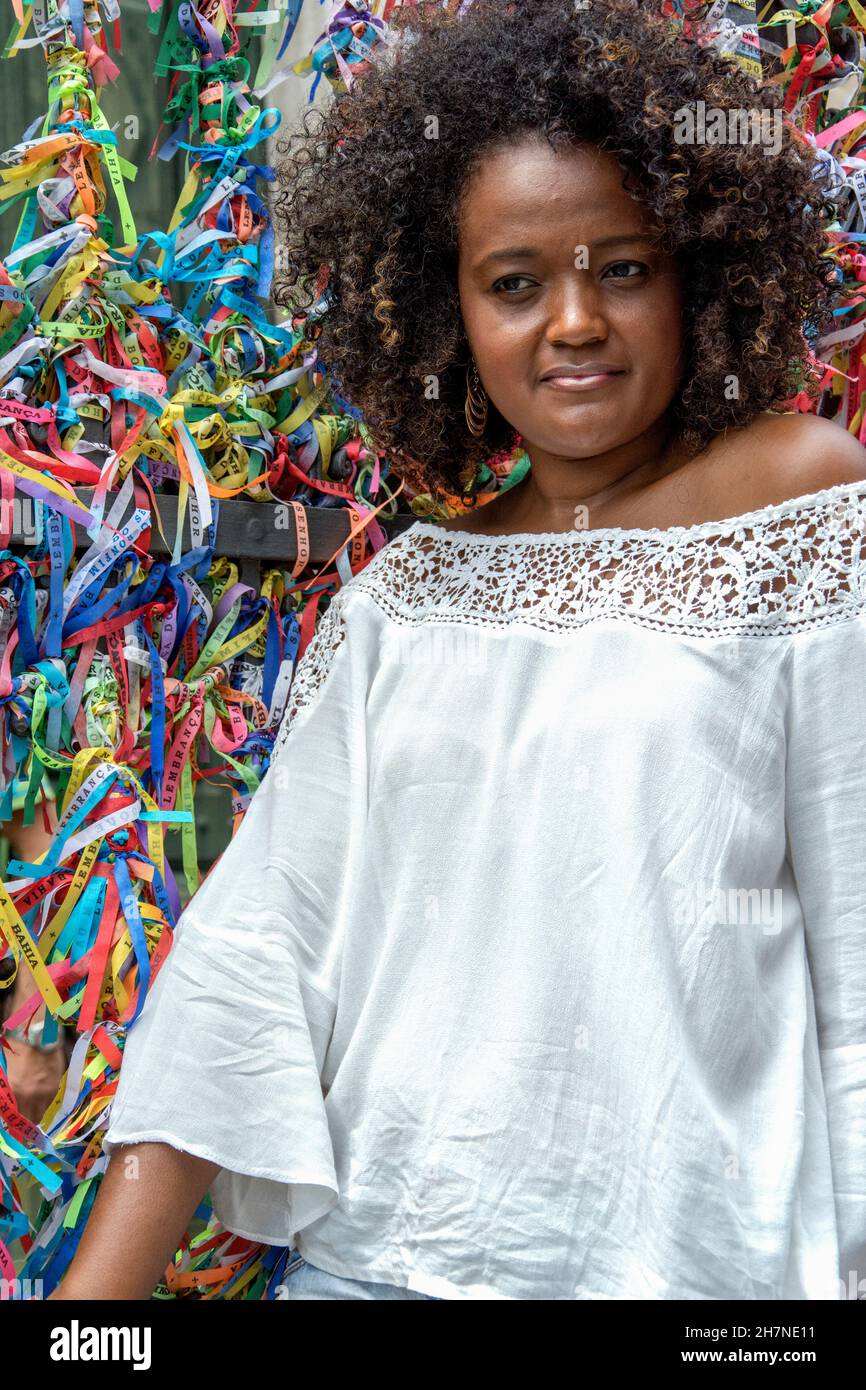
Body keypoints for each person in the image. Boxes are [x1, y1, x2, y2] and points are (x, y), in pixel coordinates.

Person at [51, 0, 866, 1301]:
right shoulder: (404, 599)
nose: (572, 322)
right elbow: (255, 948)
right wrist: (84, 1322)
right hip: (383, 1263)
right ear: (446, 314)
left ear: (698, 272)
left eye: (622, 267)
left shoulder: (797, 496)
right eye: (513, 282)